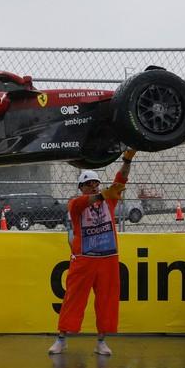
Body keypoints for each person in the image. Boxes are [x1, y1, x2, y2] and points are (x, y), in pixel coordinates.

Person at [49, 149, 135, 356]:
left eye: (96, 183)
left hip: (107, 258)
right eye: (89, 184)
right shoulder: (76, 204)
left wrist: (127, 160)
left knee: (107, 299)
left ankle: (101, 341)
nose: (93, 186)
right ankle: (62, 338)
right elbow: (86, 201)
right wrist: (103, 193)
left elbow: (121, 178)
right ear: (81, 188)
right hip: (84, 259)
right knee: (73, 298)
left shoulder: (109, 201)